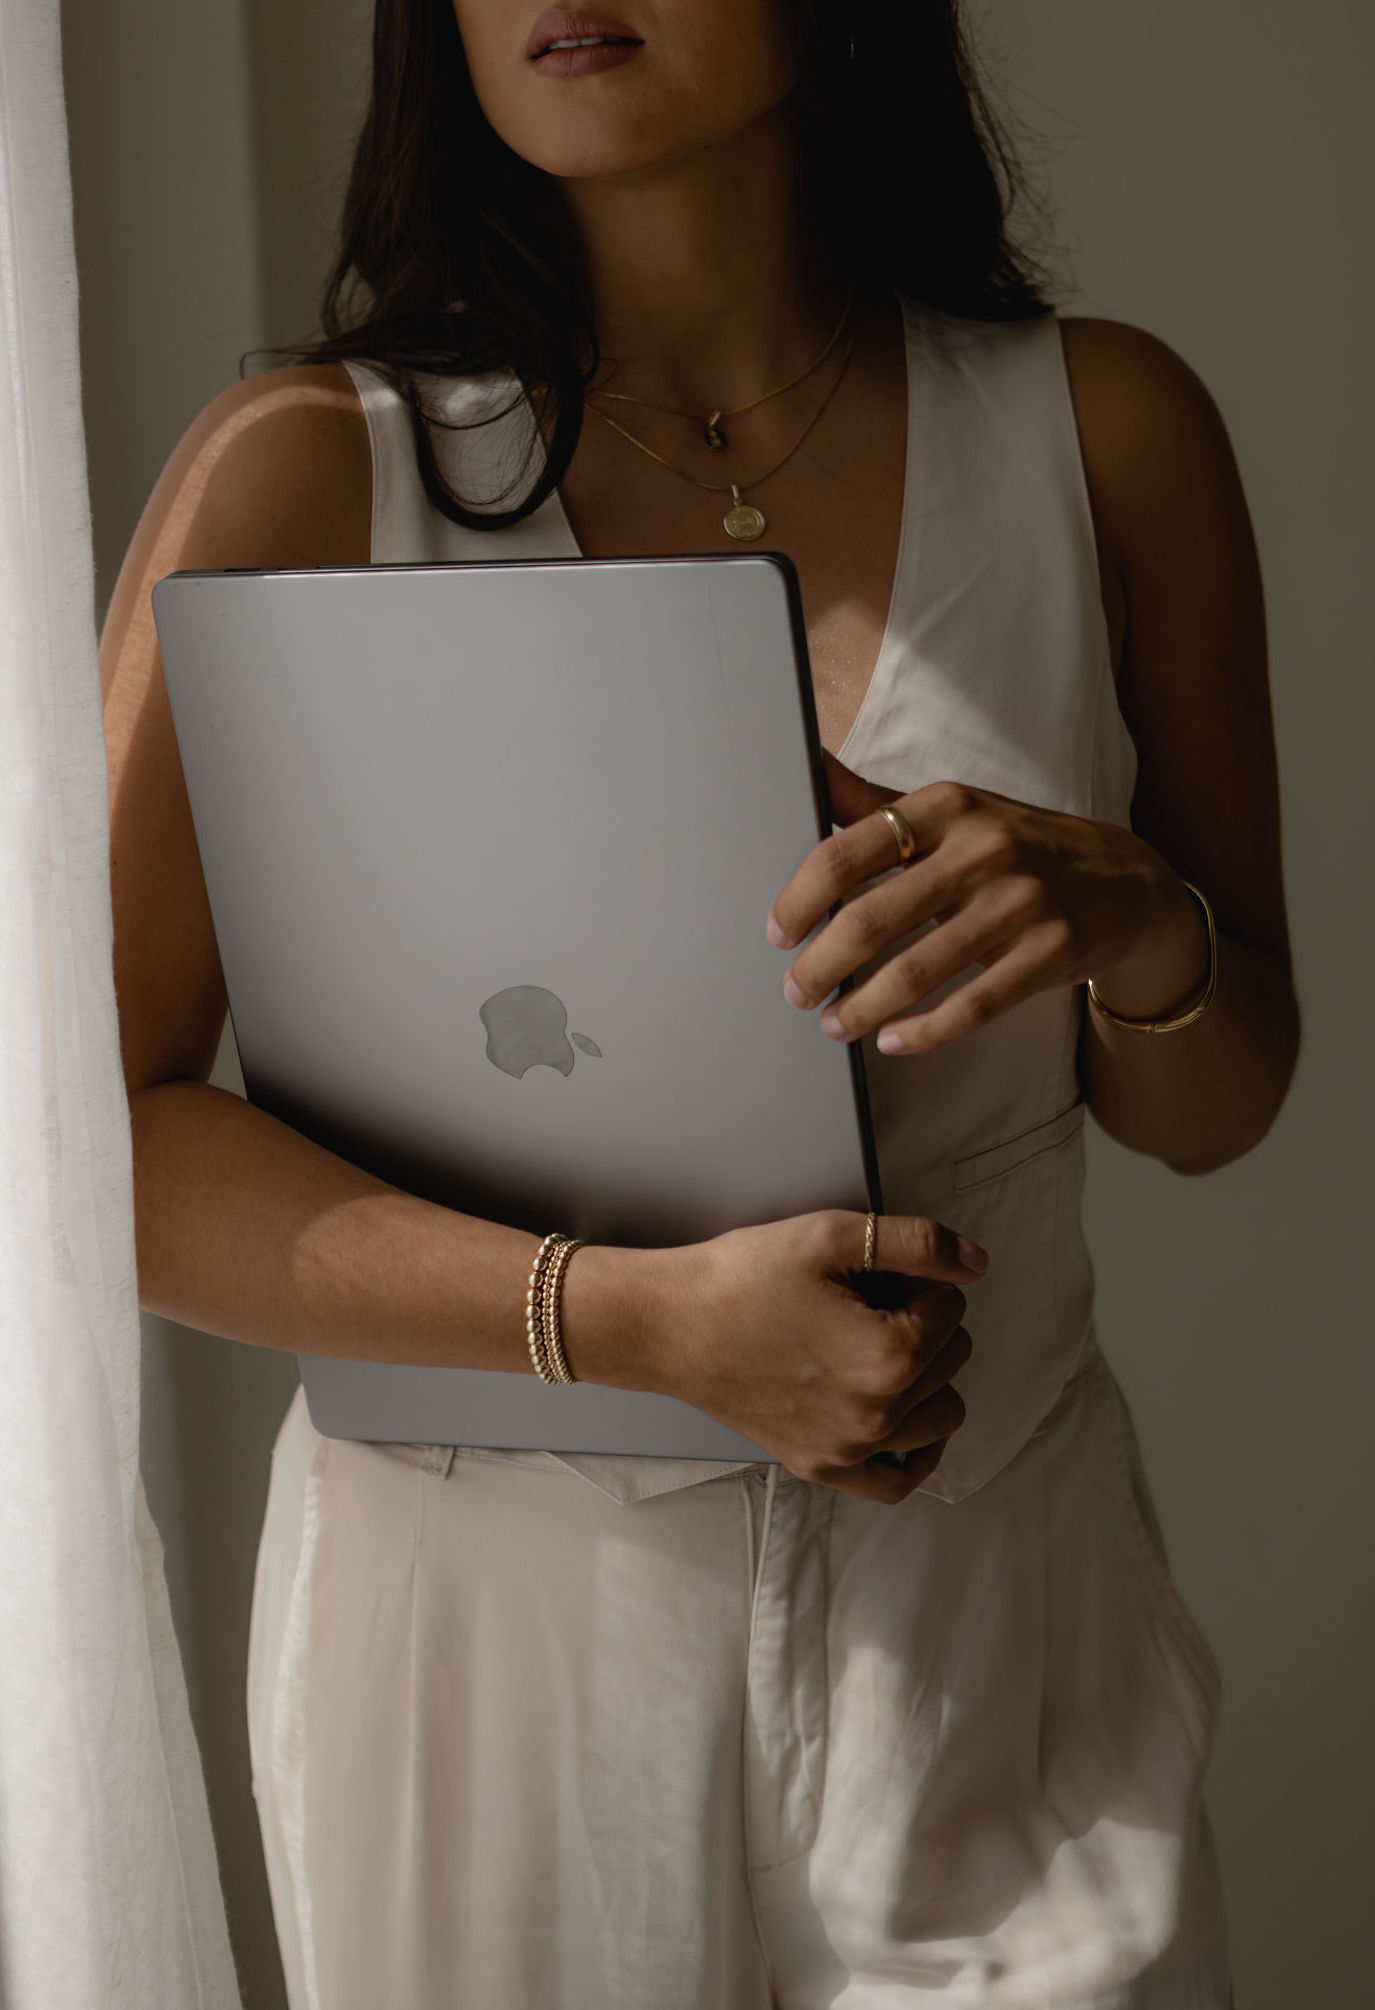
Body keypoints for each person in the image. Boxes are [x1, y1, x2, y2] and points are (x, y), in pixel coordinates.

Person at [101, 2, 1299, 2004]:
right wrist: (628, 1323)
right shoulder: (299, 478)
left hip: (999, 1619)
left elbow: (1215, 1102)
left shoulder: (1106, 430)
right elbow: (70, 1142)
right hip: (486, 1652)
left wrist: (1144, 928)